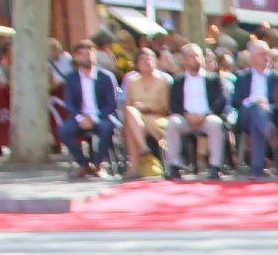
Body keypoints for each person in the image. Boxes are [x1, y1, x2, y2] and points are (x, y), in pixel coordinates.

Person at [164, 43, 228, 179]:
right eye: (191, 56)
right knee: (172, 123)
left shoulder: (214, 79)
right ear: (184, 60)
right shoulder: (178, 80)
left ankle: (215, 167)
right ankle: (173, 166)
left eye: (198, 56)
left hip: (206, 117)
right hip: (185, 118)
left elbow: (220, 100)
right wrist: (186, 114)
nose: (195, 59)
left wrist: (205, 114)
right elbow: (173, 103)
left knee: (215, 123)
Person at [57, 40, 119, 179]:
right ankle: (84, 164)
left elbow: (111, 104)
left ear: (94, 55)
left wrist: (94, 118)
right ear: (76, 57)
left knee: (106, 128)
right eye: (82, 54)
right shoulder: (71, 78)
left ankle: (97, 164)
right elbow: (69, 103)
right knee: (63, 130)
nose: (85, 57)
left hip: (101, 116)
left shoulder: (106, 77)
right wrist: (81, 118)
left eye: (89, 53)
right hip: (80, 117)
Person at [229, 42, 278, 180]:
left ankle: (256, 169)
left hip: (268, 114)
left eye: (267, 54)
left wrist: (267, 106)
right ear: (251, 58)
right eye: (262, 54)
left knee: (256, 121)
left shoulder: (276, 78)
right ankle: (270, 134)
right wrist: (252, 101)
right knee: (254, 108)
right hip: (245, 115)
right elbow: (235, 101)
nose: (266, 57)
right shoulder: (241, 77)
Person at [119, 47, 172, 177]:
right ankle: (141, 152)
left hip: (157, 117)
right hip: (136, 118)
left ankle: (133, 165)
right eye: (142, 60)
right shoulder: (131, 81)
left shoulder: (164, 80)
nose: (146, 62)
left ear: (155, 61)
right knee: (131, 113)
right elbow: (127, 105)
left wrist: (146, 108)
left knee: (133, 127)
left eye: (149, 58)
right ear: (137, 64)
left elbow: (165, 107)